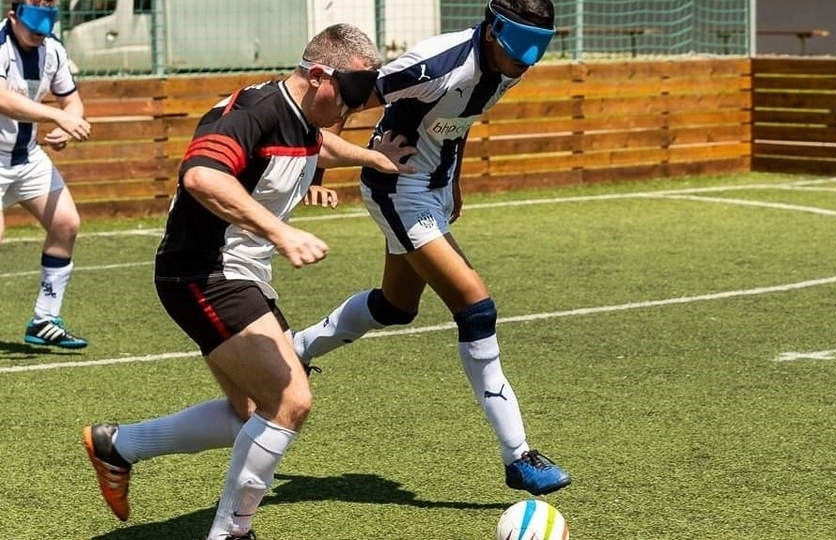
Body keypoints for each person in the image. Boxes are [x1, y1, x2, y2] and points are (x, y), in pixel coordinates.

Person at [81, 24, 415, 540]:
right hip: (203, 272)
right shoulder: (250, 113)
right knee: (290, 401)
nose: (354, 110)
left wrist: (373, 158)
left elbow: (316, 145)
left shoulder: (301, 117)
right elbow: (201, 177)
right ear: (319, 76)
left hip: (239, 274)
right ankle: (232, 532)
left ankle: (118, 446)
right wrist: (281, 232)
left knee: (253, 413)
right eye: (351, 95)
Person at [295, 0, 570, 497]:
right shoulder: (434, 64)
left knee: (395, 307)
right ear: (491, 30)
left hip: (433, 189)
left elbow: (455, 123)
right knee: (475, 305)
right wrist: (317, 167)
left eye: (540, 48)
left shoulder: (510, 66)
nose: (528, 60)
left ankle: (299, 347)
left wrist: (453, 181)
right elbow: (346, 96)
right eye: (521, 46)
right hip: (398, 189)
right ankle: (519, 456)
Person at [0, 0, 92, 349]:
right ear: (13, 17)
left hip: (26, 157)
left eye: (45, 29)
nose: (40, 36)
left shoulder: (52, 48)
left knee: (66, 223)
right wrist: (56, 117)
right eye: (33, 29)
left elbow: (73, 103)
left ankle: (44, 319)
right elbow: (2, 99)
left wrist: (68, 127)